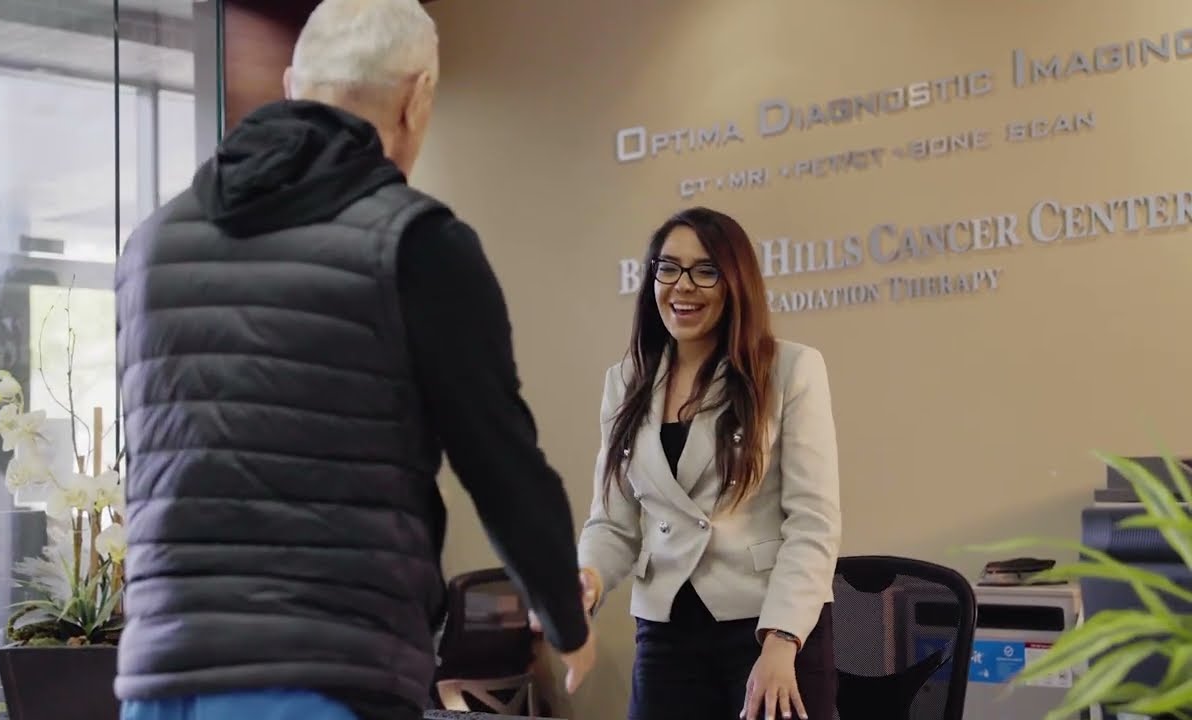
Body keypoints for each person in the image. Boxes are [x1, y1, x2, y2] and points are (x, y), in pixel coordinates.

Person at [112, 1, 595, 719]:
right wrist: (566, 619)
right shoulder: (416, 242)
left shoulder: (151, 246)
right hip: (329, 673)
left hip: (161, 678)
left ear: (291, 83)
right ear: (418, 97)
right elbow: (500, 461)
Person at [575, 208, 841, 720]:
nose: (682, 286)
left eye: (705, 271)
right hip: (666, 631)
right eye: (668, 268)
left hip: (769, 626)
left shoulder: (788, 369)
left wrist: (782, 641)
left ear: (734, 281)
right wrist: (587, 577)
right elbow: (613, 521)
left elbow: (813, 523)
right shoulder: (625, 381)